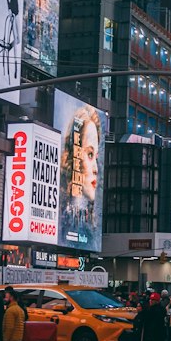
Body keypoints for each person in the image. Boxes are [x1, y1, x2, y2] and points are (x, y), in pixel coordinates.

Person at [58, 104, 103, 250]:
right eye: (89, 154)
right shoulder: (59, 220)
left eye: (96, 157)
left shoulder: (92, 229)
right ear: (73, 156)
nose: (96, 169)